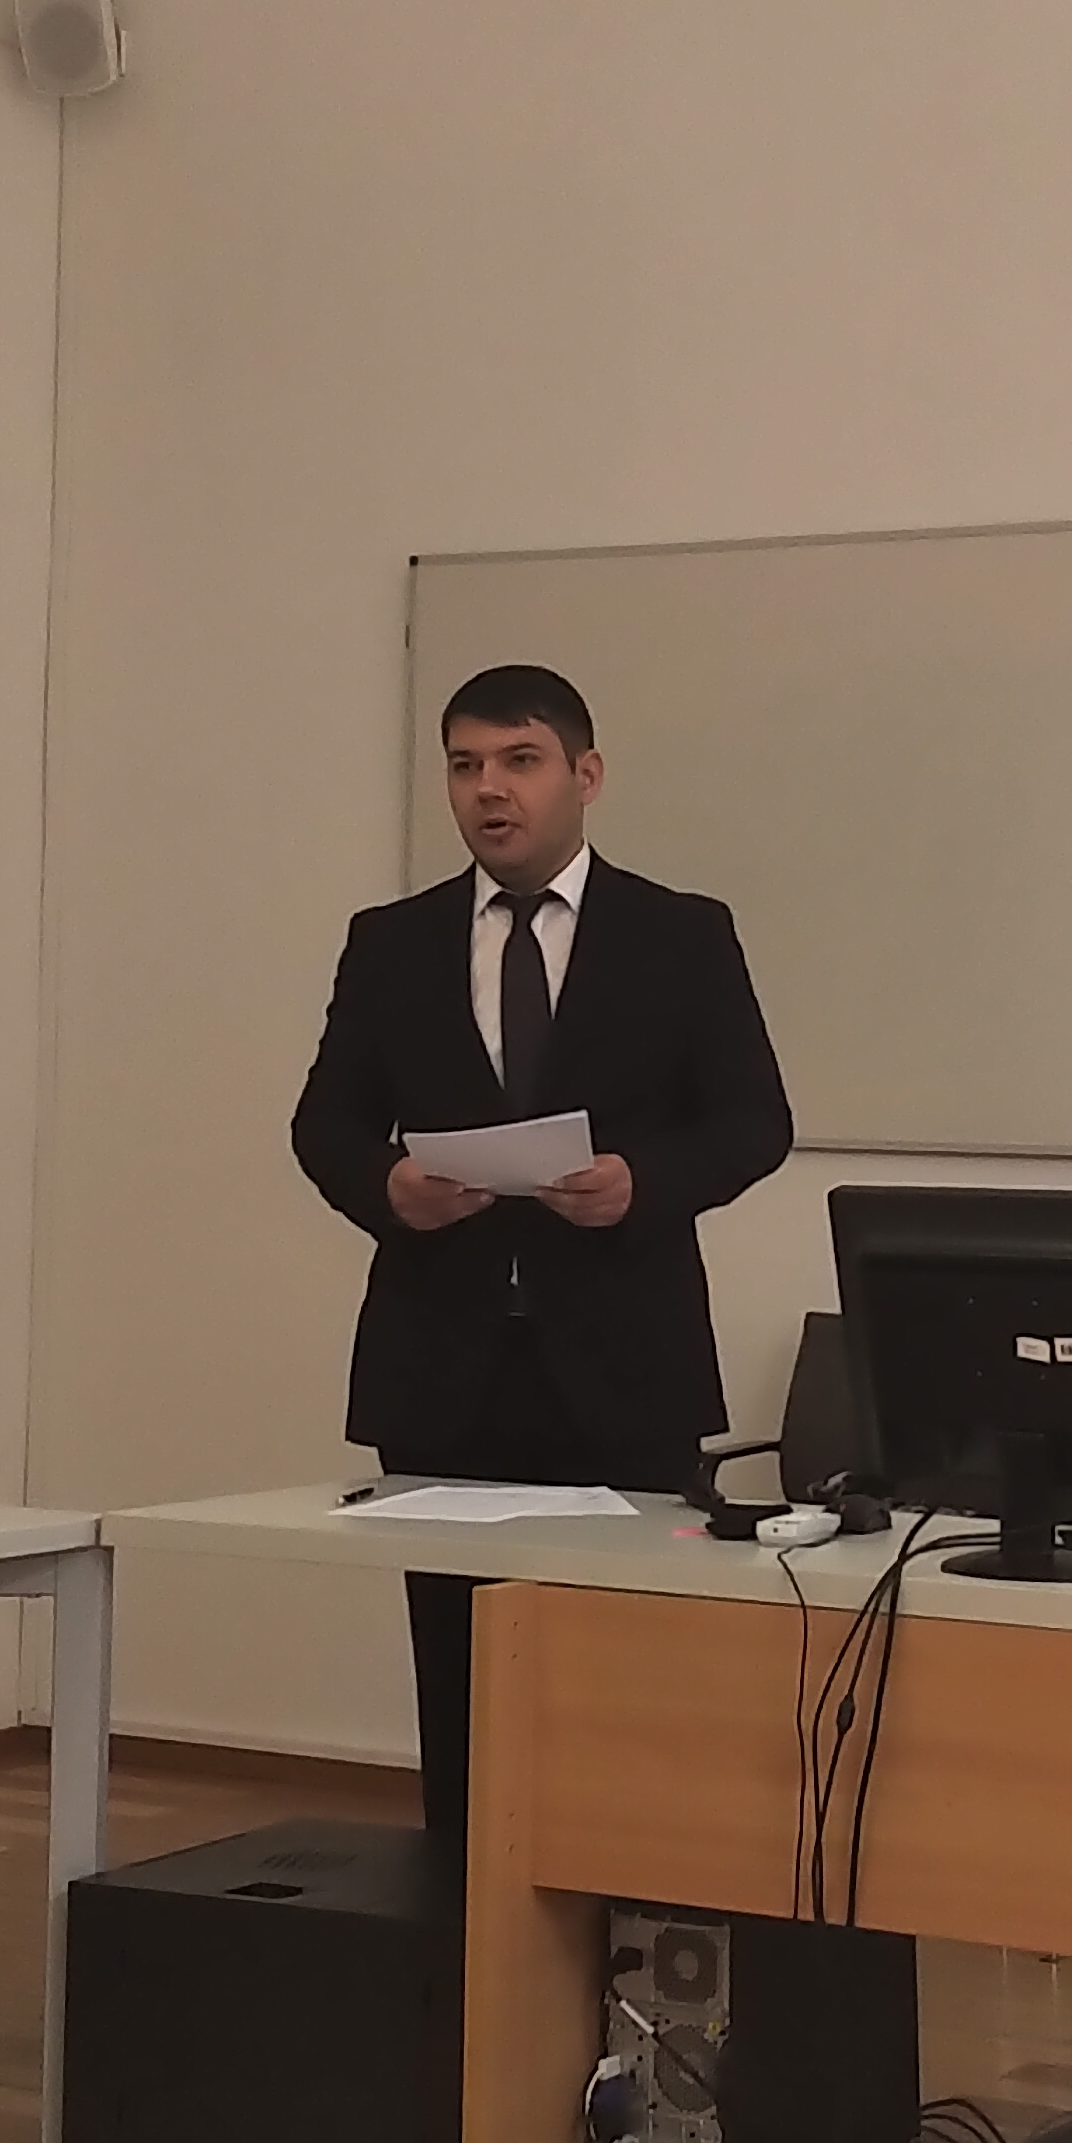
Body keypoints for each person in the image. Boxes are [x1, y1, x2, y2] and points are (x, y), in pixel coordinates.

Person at [290, 664, 792, 1842]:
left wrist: (641, 1183)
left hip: (622, 1362)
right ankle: (467, 1909)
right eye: (465, 766)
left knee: (628, 1677)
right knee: (460, 1677)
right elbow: (326, 1125)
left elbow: (753, 1122)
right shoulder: (392, 942)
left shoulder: (680, 935)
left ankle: (629, 1908)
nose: (489, 791)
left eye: (519, 762)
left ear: (586, 775)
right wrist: (389, 1188)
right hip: (444, 1366)